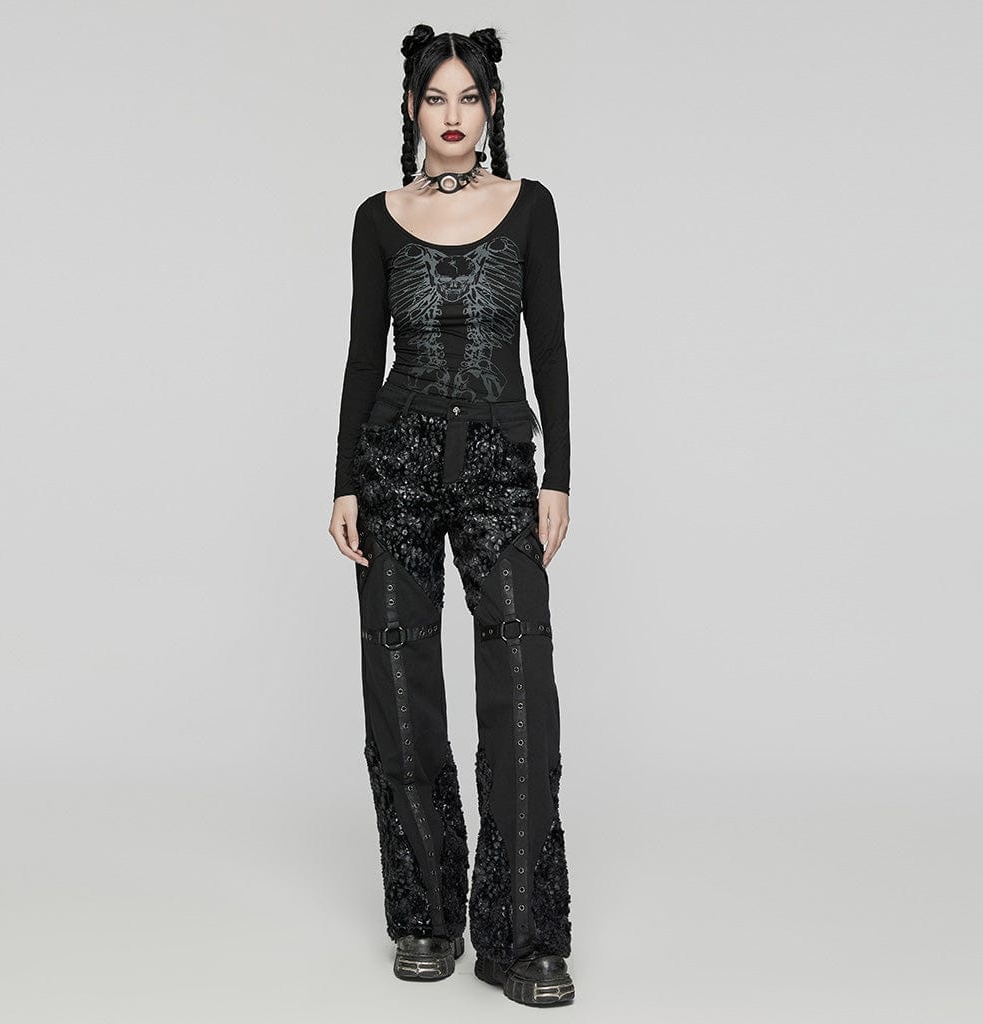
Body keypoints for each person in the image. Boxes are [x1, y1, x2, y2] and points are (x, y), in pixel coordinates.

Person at [328, 23, 575, 1008]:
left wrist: (559, 475)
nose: (453, 116)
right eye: (436, 98)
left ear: (492, 106)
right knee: (400, 689)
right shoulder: (377, 218)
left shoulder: (530, 206)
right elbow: (362, 354)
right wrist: (343, 481)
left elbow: (550, 343)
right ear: (411, 109)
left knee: (521, 689)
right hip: (393, 458)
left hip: (500, 463)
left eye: (468, 97)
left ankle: (524, 935)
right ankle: (425, 915)